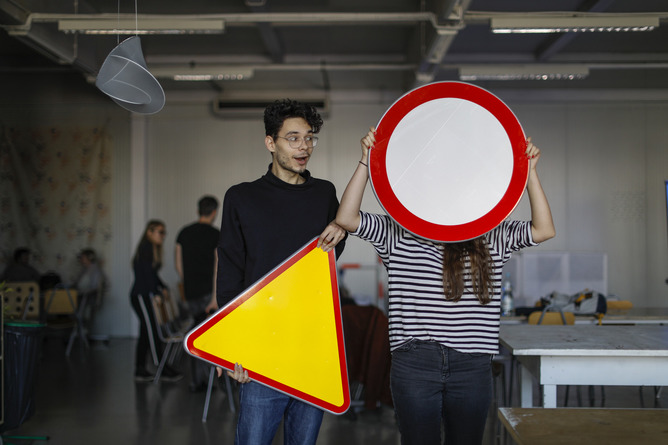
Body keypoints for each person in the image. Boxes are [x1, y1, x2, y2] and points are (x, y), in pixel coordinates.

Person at [335, 128, 556, 445]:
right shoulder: (399, 233)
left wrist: (530, 173)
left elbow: (544, 229)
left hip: (472, 365)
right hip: (414, 363)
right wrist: (366, 164)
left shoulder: (492, 236)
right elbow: (346, 217)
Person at [217, 99, 347, 445]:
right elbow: (230, 272)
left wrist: (342, 231)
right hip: (262, 349)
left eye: (309, 138)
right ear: (270, 142)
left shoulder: (324, 194)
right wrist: (230, 346)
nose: (304, 146)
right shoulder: (241, 197)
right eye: (293, 138)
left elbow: (329, 259)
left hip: (311, 348)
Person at [175, 195, 220, 392]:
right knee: (207, 336)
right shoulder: (216, 234)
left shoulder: (183, 233)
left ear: (198, 210)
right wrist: (214, 296)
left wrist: (188, 282)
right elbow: (219, 267)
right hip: (208, 292)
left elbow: (178, 265)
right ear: (214, 212)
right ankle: (208, 380)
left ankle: (197, 380)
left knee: (194, 333)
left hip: (190, 291)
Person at [130, 220, 183, 382]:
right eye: (160, 232)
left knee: (146, 333)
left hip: (144, 295)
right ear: (149, 232)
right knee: (152, 331)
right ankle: (161, 367)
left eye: (164, 232)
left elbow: (152, 275)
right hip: (141, 296)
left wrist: (162, 287)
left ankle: (140, 369)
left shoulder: (151, 249)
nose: (163, 236)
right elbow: (146, 275)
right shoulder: (146, 248)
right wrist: (156, 292)